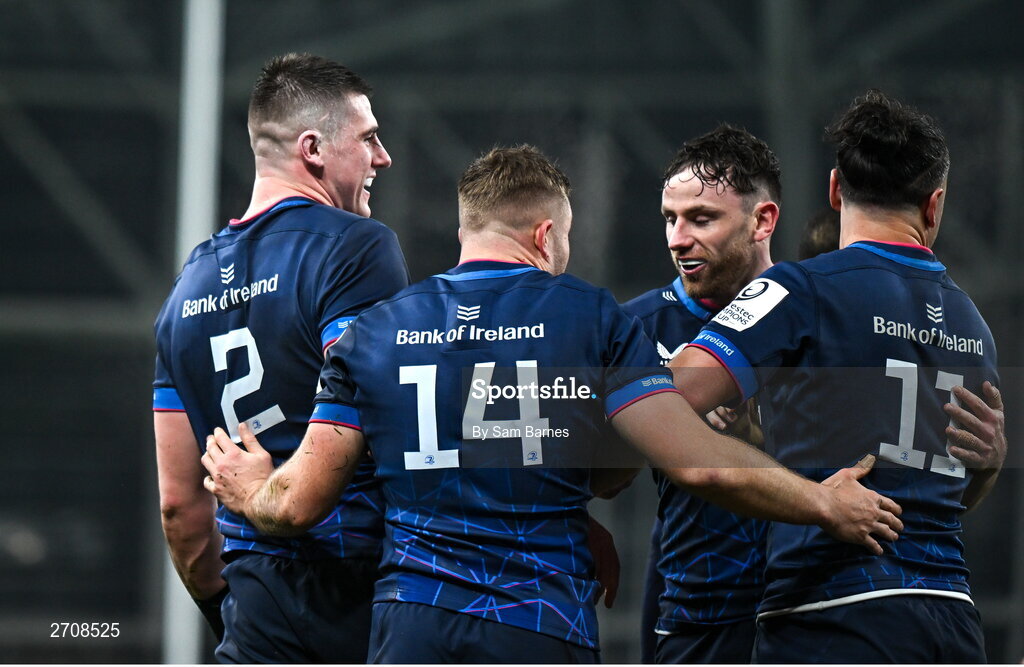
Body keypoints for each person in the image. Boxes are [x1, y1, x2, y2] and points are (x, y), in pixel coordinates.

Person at [199, 145, 903, 663]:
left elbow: (298, 504)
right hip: (539, 623)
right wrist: (823, 502)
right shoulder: (589, 316)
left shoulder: (373, 333)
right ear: (545, 235)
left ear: (466, 232)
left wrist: (248, 486)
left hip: (411, 624)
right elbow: (697, 466)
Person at [668, 90, 1005, 663]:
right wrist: (992, 465)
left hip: (834, 614)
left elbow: (663, 399)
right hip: (951, 618)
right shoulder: (974, 325)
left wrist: (810, 498)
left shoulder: (800, 289)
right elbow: (947, 497)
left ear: (834, 189)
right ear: (934, 205)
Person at [153, 53, 408, 662]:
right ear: (313, 149)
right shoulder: (356, 249)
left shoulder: (182, 294)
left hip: (255, 621)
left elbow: (180, 509)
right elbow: (389, 419)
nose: (383, 157)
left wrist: (238, 614)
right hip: (363, 607)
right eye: (368, 138)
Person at [626, 124, 779, 664]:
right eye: (670, 219)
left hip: (809, 604)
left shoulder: (813, 314)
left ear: (762, 221)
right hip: (698, 609)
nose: (677, 238)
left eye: (701, 218)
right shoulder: (634, 328)